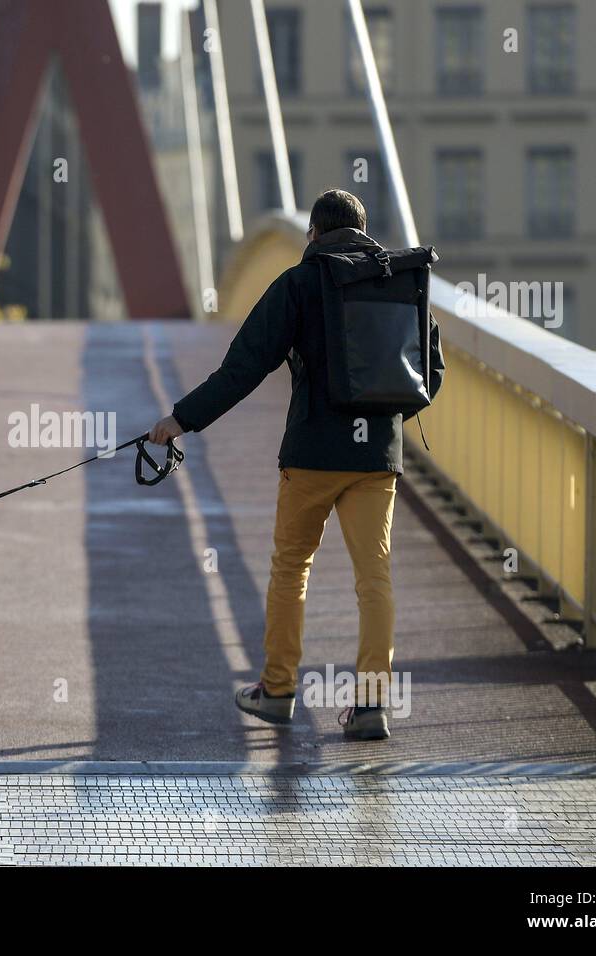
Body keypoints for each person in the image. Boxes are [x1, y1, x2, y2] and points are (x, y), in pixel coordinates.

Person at [147, 189, 443, 741]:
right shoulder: (400, 281)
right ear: (364, 231)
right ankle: (374, 704)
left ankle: (278, 690)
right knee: (373, 576)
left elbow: (243, 368)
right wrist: (380, 416)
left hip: (311, 455)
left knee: (291, 568)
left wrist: (181, 420)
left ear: (312, 234)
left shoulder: (298, 284)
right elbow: (432, 373)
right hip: (377, 457)